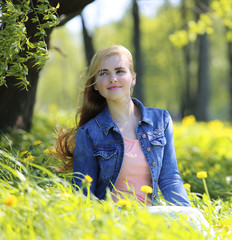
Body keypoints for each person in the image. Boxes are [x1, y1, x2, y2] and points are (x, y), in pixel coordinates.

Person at [56, 44, 190, 207]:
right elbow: (84, 193)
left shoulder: (160, 120)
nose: (113, 78)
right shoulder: (89, 133)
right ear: (96, 85)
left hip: (152, 220)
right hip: (113, 221)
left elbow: (170, 178)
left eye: (119, 71)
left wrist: (188, 216)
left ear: (133, 78)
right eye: (104, 73)